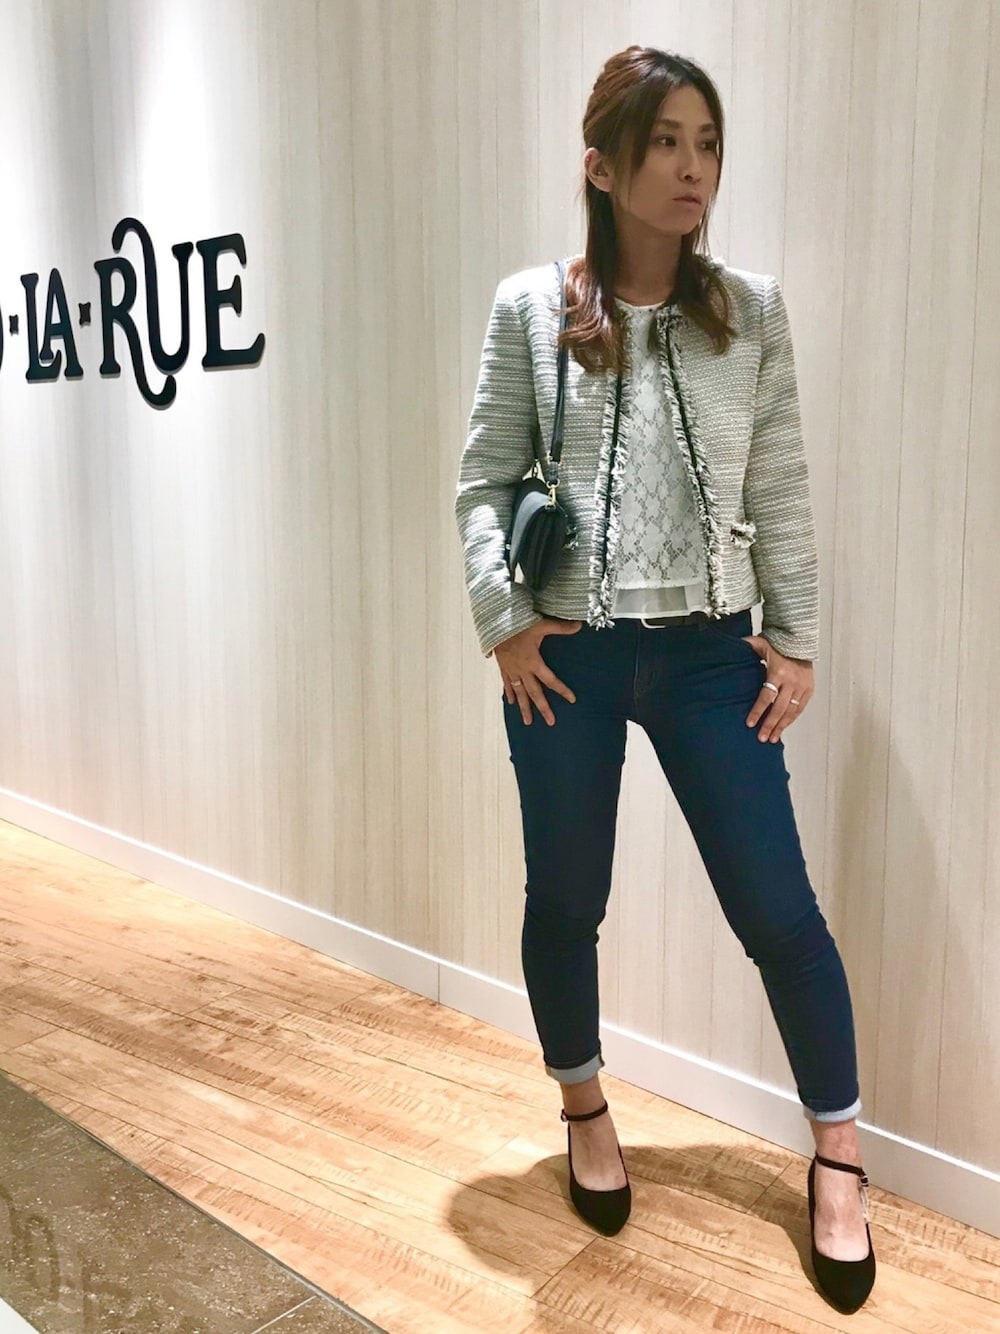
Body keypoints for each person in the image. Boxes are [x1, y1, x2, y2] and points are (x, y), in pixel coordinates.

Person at [454, 45, 875, 1315]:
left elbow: (779, 484)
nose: (694, 168)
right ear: (603, 163)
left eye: (708, 143)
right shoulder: (531, 309)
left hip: (707, 654)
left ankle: (839, 1160)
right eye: (667, 143)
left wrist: (794, 638)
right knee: (565, 896)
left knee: (778, 910)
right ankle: (585, 1105)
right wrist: (504, 623)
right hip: (568, 656)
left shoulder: (751, 312)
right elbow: (483, 482)